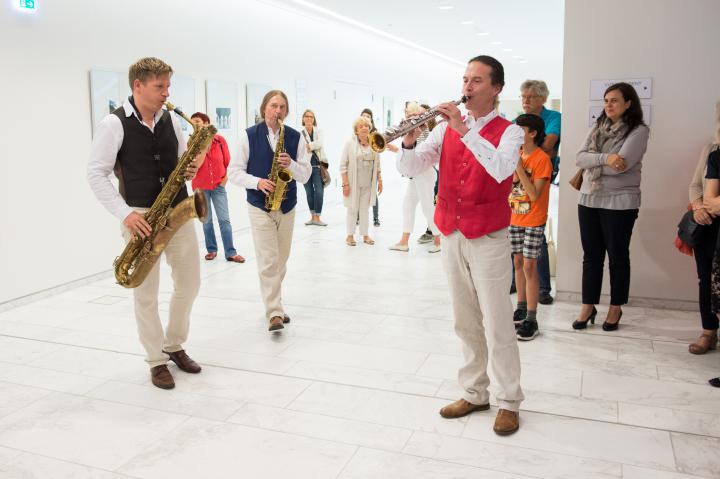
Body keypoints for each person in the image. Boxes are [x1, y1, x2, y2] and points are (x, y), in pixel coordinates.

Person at [398, 55, 524, 436]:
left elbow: (501, 169)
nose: (467, 86)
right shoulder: (444, 130)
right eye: (465, 79)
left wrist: (465, 129)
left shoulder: (511, 131)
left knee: (498, 321)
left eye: (477, 81)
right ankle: (474, 391)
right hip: (451, 232)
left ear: (496, 88)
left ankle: (509, 400)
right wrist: (408, 141)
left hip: (488, 237)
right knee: (464, 319)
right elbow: (411, 168)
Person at [87, 57, 203, 389]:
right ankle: (156, 360)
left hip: (177, 210)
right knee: (146, 294)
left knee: (190, 284)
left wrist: (189, 168)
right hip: (141, 216)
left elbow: (181, 159)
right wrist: (126, 213)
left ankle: (174, 343)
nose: (167, 93)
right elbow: (95, 174)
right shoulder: (113, 124)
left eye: (168, 86)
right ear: (138, 86)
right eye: (160, 86)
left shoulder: (171, 120)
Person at [227, 90, 311, 332]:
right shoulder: (248, 136)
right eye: (274, 106)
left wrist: (291, 164)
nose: (278, 111)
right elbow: (233, 172)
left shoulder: (296, 137)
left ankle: (275, 301)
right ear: (264, 108)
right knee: (268, 260)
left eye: (282, 107)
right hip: (259, 205)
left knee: (280, 260)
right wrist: (258, 182)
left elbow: (305, 175)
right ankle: (274, 311)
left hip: (287, 205)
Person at [571, 82, 649, 332]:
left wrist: (596, 163)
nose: (608, 105)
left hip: (621, 202)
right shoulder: (597, 128)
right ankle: (588, 305)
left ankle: (616, 306)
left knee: (617, 256)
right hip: (589, 198)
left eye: (614, 100)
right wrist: (606, 159)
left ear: (628, 103)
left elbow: (623, 166)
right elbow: (578, 158)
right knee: (591, 256)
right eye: (606, 101)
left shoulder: (638, 131)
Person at [516, 79, 561, 305]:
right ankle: (520, 284)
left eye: (531, 97)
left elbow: (547, 146)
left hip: (539, 179)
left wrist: (524, 156)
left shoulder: (553, 118)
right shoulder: (519, 122)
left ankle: (543, 286)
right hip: (519, 187)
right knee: (518, 233)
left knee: (536, 233)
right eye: (523, 96)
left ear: (543, 98)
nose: (526, 101)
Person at [508, 114, 552, 341]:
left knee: (530, 267)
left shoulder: (541, 159)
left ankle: (532, 319)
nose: (515, 135)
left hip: (534, 219)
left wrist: (518, 168)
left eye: (520, 130)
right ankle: (521, 307)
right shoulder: (517, 154)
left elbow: (534, 194)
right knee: (517, 263)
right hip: (514, 217)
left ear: (532, 133)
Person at [190, 112, 245, 264]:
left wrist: (224, 181)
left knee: (224, 220)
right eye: (193, 123)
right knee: (206, 221)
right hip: (200, 189)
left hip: (218, 186)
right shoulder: (192, 144)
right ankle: (212, 250)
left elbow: (229, 164)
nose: (195, 125)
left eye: (198, 122)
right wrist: (203, 147)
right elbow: (195, 166)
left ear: (206, 124)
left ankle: (231, 252)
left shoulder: (220, 141)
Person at [390, 102, 441, 253]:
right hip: (417, 175)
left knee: (428, 208)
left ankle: (438, 241)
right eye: (408, 113)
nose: (409, 115)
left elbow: (420, 153)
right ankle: (404, 241)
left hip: (424, 174)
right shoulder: (418, 129)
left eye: (412, 113)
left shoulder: (426, 131)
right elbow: (411, 153)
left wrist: (399, 148)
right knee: (408, 205)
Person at [341, 117, 382, 246]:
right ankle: (349, 235)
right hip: (353, 183)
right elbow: (343, 165)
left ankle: (365, 235)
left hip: (368, 184)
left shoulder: (374, 144)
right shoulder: (350, 144)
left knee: (365, 209)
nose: (364, 128)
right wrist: (345, 184)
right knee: (352, 209)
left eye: (366, 126)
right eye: (361, 126)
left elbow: (378, 165)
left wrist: (380, 180)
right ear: (356, 130)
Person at [360, 108, 395, 226]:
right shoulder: (356, 133)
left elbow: (377, 155)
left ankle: (376, 218)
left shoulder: (375, 134)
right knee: (360, 193)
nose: (365, 118)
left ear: (371, 119)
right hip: (360, 169)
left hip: (372, 168)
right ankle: (359, 217)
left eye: (368, 116)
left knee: (373, 194)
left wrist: (379, 176)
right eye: (363, 116)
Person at [300, 109, 328, 226]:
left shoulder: (319, 131)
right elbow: (300, 149)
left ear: (314, 119)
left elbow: (320, 143)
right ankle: (312, 217)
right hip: (305, 167)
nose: (309, 118)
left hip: (317, 166)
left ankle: (318, 217)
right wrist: (311, 145)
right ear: (303, 119)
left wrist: (309, 146)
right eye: (307, 116)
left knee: (319, 192)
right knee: (309, 193)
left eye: (311, 117)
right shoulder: (300, 134)